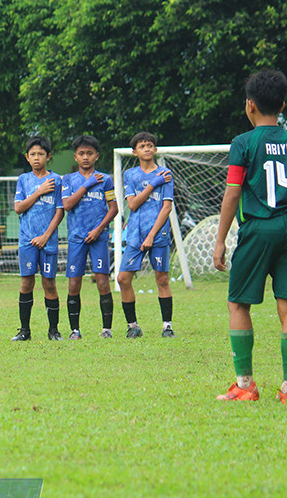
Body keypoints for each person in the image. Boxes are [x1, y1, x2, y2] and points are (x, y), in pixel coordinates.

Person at [213, 69, 287, 404]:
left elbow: (232, 193)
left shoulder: (243, 143)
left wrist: (219, 240)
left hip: (259, 227)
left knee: (238, 302)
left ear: (249, 105)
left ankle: (245, 385)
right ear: (283, 105)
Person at [117, 132, 175, 339]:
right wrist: (153, 184)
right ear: (135, 152)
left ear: (155, 149)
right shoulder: (131, 175)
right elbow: (132, 204)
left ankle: (167, 327)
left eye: (150, 145)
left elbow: (166, 208)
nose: (147, 148)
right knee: (123, 278)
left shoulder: (166, 173)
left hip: (158, 234)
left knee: (162, 279)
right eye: (142, 146)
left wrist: (151, 235)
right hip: (135, 234)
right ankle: (133, 326)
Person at [61, 135, 119, 339]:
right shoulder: (68, 180)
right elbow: (67, 205)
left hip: (99, 238)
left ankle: (107, 329)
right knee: (74, 282)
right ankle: (75, 330)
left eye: (90, 153)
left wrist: (98, 229)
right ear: (76, 157)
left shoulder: (105, 179)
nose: (86, 157)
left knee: (103, 281)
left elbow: (114, 209)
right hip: (77, 238)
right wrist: (87, 185)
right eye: (82, 153)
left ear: (96, 156)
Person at [11, 136, 65, 341]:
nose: (36, 158)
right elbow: (18, 208)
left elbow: (60, 211)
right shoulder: (24, 180)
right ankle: (24, 331)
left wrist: (45, 236)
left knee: (49, 284)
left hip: (48, 241)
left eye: (40, 154)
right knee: (26, 283)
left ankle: (54, 331)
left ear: (48, 156)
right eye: (32, 154)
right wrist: (39, 191)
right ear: (27, 157)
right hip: (27, 240)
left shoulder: (57, 180)